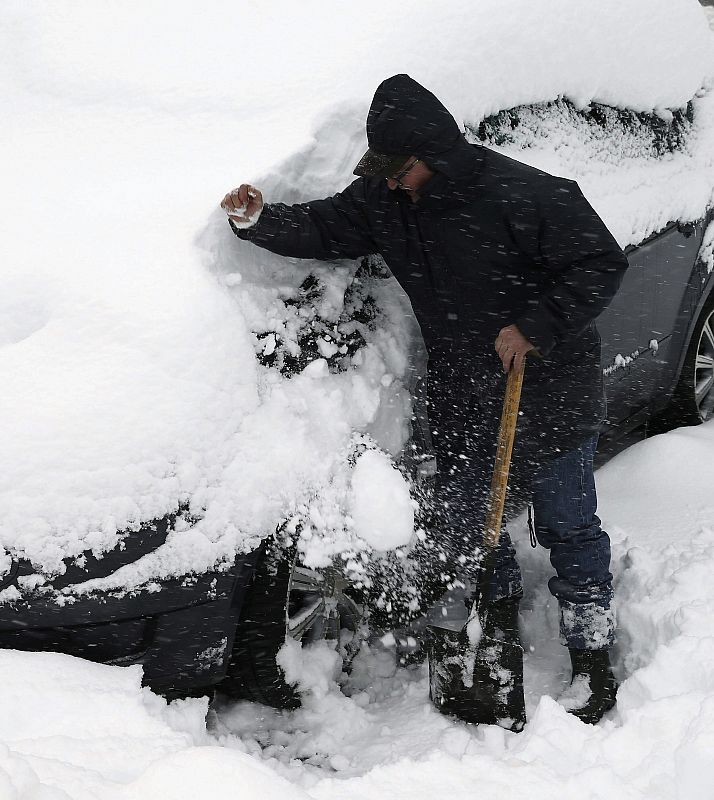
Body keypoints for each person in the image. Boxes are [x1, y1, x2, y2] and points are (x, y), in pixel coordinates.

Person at [221, 74, 629, 725]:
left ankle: (593, 654)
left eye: (400, 169)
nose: (388, 181)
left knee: (568, 526)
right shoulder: (388, 201)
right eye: (381, 170)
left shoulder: (527, 195)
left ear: (434, 153)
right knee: (476, 533)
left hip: (547, 394)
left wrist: (536, 326)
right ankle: (486, 646)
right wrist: (259, 220)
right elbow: (326, 225)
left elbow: (600, 263)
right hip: (467, 397)